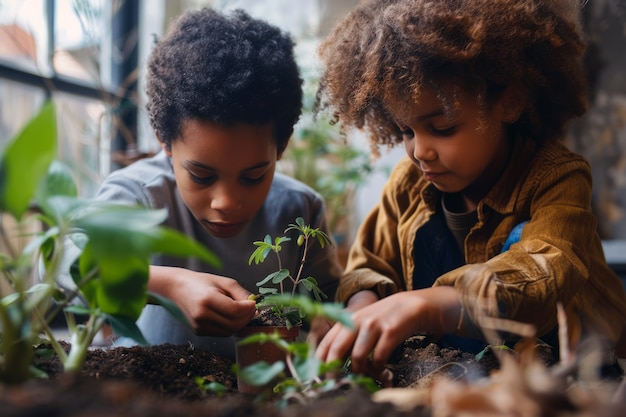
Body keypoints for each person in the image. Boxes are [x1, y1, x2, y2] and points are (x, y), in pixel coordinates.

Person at [314, 0, 626, 379]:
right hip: (463, 371)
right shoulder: (408, 184)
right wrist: (361, 306)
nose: (420, 151)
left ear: (508, 102)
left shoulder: (556, 177)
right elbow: (370, 263)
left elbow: (547, 271)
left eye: (442, 128)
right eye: (407, 131)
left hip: (570, 371)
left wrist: (428, 305)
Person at [58, 8, 341, 359]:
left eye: (253, 176)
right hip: (147, 390)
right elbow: (65, 259)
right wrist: (168, 285)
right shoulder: (140, 195)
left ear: (280, 147)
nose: (225, 201)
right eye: (202, 176)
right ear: (165, 141)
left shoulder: (301, 210)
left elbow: (329, 301)